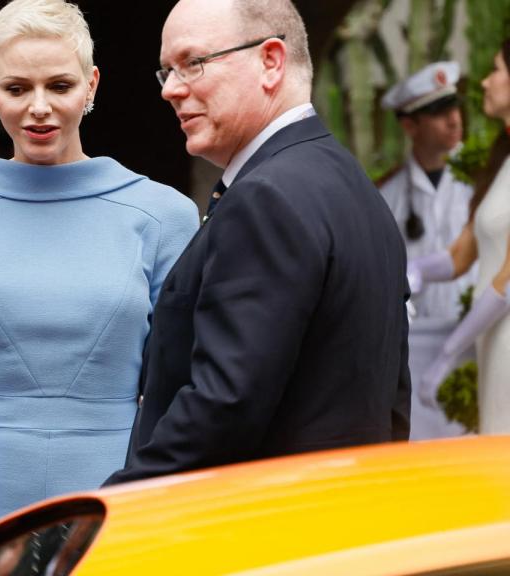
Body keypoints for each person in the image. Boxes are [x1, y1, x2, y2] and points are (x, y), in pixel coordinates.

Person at [0, 0, 199, 547]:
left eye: (59, 86)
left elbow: (180, 386)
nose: (39, 108)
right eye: (17, 88)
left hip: (126, 506)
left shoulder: (164, 216)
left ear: (91, 84)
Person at [106, 0, 410, 486]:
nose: (170, 89)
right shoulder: (352, 185)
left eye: (193, 63)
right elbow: (392, 400)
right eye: (167, 71)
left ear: (270, 61)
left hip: (264, 518)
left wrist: (114, 506)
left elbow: (224, 406)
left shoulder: (266, 197)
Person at [411, 39, 510, 434]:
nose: (485, 82)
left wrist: (448, 352)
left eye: (496, 69)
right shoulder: (502, 158)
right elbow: (460, 256)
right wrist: (415, 269)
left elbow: (508, 281)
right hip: (491, 340)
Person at [378, 61, 474, 439]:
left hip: (475, 337)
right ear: (410, 126)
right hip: (415, 354)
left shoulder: (485, 178)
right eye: (437, 112)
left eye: (454, 108)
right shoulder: (386, 196)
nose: (453, 120)